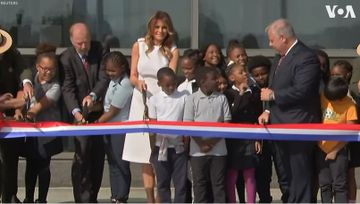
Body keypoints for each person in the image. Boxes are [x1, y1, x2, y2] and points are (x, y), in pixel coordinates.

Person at [258, 19, 321, 202]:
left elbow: (303, 90)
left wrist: (273, 96)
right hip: (279, 125)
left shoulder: (305, 57)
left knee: (300, 174)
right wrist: (268, 111)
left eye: (271, 40)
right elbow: (272, 86)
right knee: (286, 175)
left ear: (283, 37)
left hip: (298, 125)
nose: (270, 44)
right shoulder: (280, 57)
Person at [122, 11, 179, 203]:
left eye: (164, 27)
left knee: (160, 152)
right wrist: (138, 83)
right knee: (144, 154)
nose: (160, 31)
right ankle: (149, 199)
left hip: (163, 102)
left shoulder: (172, 49)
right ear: (151, 28)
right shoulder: (139, 45)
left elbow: (171, 78)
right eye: (157, 27)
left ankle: (161, 196)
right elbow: (132, 75)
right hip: (141, 99)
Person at [59, 22, 109, 203]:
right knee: (82, 156)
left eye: (86, 41)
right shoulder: (65, 58)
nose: (84, 46)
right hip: (79, 116)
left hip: (101, 113)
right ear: (72, 40)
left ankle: (92, 197)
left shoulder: (101, 49)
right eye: (79, 43)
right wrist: (77, 114)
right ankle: (81, 198)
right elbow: (67, 88)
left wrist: (93, 95)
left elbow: (104, 78)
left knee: (97, 157)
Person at [15, 44, 63, 203]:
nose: (48, 72)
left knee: (44, 166)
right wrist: (17, 111)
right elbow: (21, 98)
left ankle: (42, 199)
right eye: (44, 68)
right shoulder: (29, 81)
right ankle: (28, 197)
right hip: (30, 131)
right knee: (30, 165)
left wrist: (27, 115)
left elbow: (39, 106)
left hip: (47, 132)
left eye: (52, 69)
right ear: (37, 67)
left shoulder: (55, 86)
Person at [184, 66, 231, 203]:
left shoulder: (222, 98)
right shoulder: (192, 99)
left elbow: (226, 122)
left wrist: (211, 142)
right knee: (199, 184)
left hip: (219, 151)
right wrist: (201, 144)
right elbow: (188, 125)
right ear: (203, 81)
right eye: (214, 79)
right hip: (197, 152)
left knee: (219, 185)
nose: (218, 81)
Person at [0, 28, 33, 203]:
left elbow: (24, 69)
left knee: (10, 157)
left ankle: (9, 196)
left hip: (11, 117)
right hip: (5, 105)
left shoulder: (12, 53)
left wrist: (26, 83)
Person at [96, 51, 133, 203]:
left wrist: (96, 124)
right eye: (107, 70)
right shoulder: (112, 82)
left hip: (120, 128)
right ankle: (114, 194)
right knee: (112, 163)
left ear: (122, 68)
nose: (110, 73)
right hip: (108, 128)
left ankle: (122, 196)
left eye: (113, 70)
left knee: (121, 163)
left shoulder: (126, 83)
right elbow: (106, 105)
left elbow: (113, 111)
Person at [148, 67, 188, 203]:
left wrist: (186, 144)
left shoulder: (184, 97)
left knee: (180, 183)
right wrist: (152, 148)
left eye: (174, 84)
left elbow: (187, 121)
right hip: (161, 147)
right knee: (163, 183)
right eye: (167, 85)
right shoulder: (154, 100)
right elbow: (152, 127)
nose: (171, 87)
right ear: (159, 84)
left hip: (179, 147)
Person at [224, 63, 262, 203]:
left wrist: (258, 137)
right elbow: (231, 114)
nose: (245, 74)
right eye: (241, 72)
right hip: (234, 140)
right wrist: (240, 94)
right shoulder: (228, 94)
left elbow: (257, 116)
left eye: (245, 71)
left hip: (250, 137)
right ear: (232, 78)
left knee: (249, 174)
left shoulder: (253, 93)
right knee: (232, 175)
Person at [317, 76, 357, 203]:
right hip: (321, 149)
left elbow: (350, 133)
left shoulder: (350, 106)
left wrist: (334, 151)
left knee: (339, 185)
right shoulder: (324, 95)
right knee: (324, 185)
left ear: (341, 97)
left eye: (333, 100)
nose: (329, 101)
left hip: (338, 152)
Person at [328, 60, 359, 203]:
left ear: (348, 75)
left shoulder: (352, 93)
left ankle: (351, 201)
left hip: (350, 139)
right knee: (334, 176)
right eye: (332, 74)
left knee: (349, 172)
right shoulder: (329, 91)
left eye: (338, 75)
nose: (335, 77)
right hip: (333, 141)